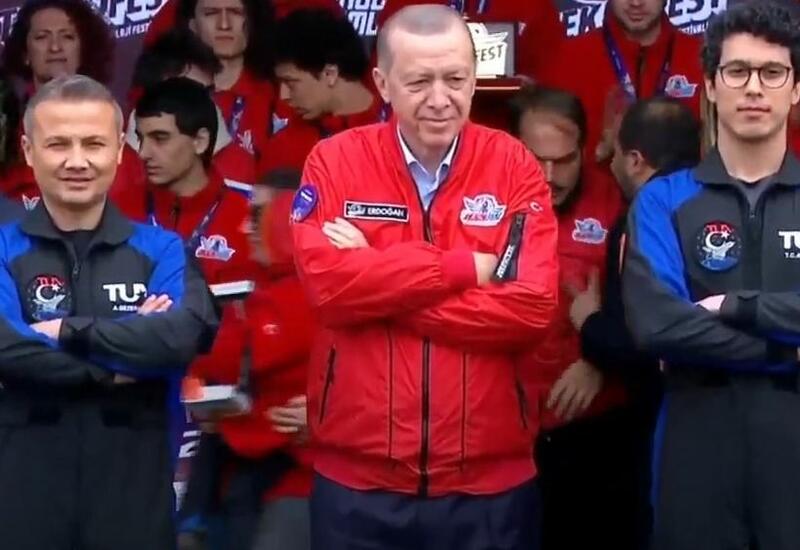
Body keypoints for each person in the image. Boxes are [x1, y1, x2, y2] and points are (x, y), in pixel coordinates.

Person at [292, 5, 559, 549]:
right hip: (358, 484)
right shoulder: (334, 162)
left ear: (474, 78)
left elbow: (531, 308)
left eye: (455, 80)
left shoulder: (514, 165)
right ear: (382, 83)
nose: (440, 98)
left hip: (489, 484)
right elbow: (327, 289)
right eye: (419, 82)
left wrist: (377, 281)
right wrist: (462, 268)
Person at [0, 74, 218, 550]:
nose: (77, 160)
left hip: (132, 500)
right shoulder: (3, 247)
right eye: (58, 144)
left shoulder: (163, 249)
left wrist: (67, 331)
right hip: (21, 497)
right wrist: (119, 360)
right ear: (28, 150)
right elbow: (6, 349)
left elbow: (180, 337)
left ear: (120, 150)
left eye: (94, 144)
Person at [623, 3, 800, 549]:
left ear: (796, 89)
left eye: (773, 72)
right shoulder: (664, 200)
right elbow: (658, 325)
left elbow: (690, 324)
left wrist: (736, 307)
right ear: (710, 85)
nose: (754, 88)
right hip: (696, 440)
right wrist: (786, 349)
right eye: (737, 71)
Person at [0, 0, 144, 208]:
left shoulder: (110, 121)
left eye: (67, 36)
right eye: (42, 37)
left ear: (83, 50)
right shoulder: (7, 129)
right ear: (25, 55)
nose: (55, 47)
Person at [541, 0, 703, 165]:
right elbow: (549, 156)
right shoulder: (567, 59)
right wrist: (599, 153)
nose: (636, 3)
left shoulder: (702, 58)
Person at [261, 8, 386, 175]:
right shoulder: (285, 147)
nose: (284, 96)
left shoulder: (401, 128)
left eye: (291, 83)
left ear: (330, 74)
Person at [126, 28, 257, 188]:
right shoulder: (113, 164)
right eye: (186, 92)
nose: (200, 102)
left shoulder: (240, 166)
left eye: (207, 92)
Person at [176, 0, 278, 161]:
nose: (224, 25)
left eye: (236, 12)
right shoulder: (171, 95)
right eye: (211, 13)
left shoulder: (279, 92)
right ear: (192, 25)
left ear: (253, 21)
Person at [377, 0, 566, 81]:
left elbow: (549, 90)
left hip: (499, 127)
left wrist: (529, 91)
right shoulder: (405, 4)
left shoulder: (533, 5)